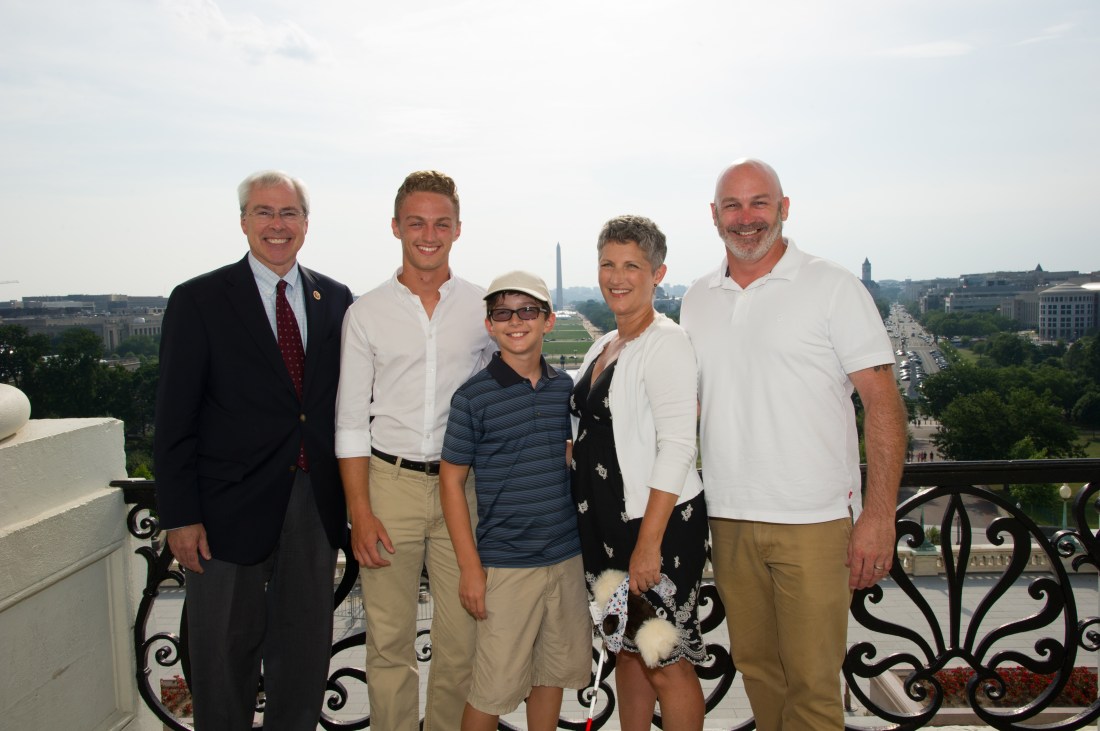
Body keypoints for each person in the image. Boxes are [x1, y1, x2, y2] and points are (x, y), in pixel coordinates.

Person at [681, 159, 907, 731]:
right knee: (759, 674)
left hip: (813, 519)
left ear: (785, 208)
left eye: (760, 203)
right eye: (732, 206)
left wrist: (879, 515)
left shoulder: (833, 287)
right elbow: (692, 407)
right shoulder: (697, 298)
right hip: (728, 517)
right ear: (714, 216)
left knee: (812, 687)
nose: (746, 218)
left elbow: (883, 403)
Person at [154, 170, 354, 730]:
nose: (276, 225)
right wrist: (181, 514)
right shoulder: (199, 300)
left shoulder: (335, 298)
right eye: (263, 212)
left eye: (289, 213)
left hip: (313, 503)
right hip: (223, 510)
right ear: (243, 221)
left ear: (306, 225)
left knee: (304, 652)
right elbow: (173, 418)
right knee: (221, 654)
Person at [335, 170, 496, 731]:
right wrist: (360, 510)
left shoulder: (484, 309)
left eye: (441, 223)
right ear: (396, 227)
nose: (429, 234)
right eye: (417, 223)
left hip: (462, 489)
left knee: (461, 644)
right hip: (390, 487)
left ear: (457, 229)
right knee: (388, 644)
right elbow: (351, 421)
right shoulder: (366, 313)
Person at [570, 215, 708, 731]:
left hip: (655, 526)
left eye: (632, 265)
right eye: (608, 263)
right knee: (627, 651)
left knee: (665, 660)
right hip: (607, 527)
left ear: (658, 274)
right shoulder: (604, 343)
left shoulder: (665, 342)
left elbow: (678, 447)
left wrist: (647, 543)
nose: (617, 275)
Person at [438, 271, 591, 731]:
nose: (515, 321)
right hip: (506, 564)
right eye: (502, 313)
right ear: (490, 325)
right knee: (491, 689)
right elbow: (451, 482)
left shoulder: (564, 387)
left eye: (527, 310)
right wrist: (470, 567)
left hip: (564, 558)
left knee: (551, 678)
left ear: (547, 321)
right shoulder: (472, 398)